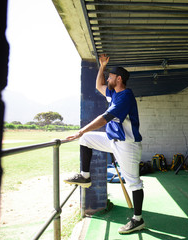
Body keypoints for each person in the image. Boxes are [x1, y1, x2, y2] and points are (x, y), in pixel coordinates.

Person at [63, 54, 145, 234]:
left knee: (134, 183)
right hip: (113, 141)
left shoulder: (125, 96)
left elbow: (104, 119)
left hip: (127, 145)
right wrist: (101, 66)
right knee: (86, 140)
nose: (107, 78)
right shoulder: (114, 94)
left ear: (119, 79)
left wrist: (80, 130)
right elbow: (98, 85)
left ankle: (137, 220)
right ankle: (85, 176)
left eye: (110, 76)